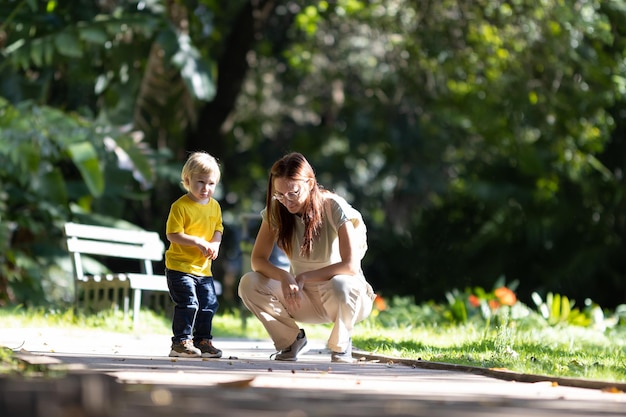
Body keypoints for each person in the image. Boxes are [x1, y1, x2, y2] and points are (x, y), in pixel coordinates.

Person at [238, 152, 376, 363]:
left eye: (293, 193)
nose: (287, 201)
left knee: (342, 284)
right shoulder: (277, 210)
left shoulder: (333, 207)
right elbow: (258, 260)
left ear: (310, 183)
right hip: (302, 299)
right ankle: (291, 340)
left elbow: (350, 266)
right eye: (279, 195)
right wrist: (285, 277)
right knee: (249, 283)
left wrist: (303, 277)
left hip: (345, 298)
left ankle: (341, 345)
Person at [165, 151, 224, 358]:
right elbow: (173, 234)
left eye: (211, 184)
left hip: (203, 269)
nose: (206, 188)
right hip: (180, 267)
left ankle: (203, 341)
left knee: (209, 304)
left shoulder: (215, 206)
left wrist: (215, 244)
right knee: (189, 303)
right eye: (200, 182)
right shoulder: (180, 206)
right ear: (187, 180)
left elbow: (218, 228)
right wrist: (198, 242)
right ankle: (180, 342)